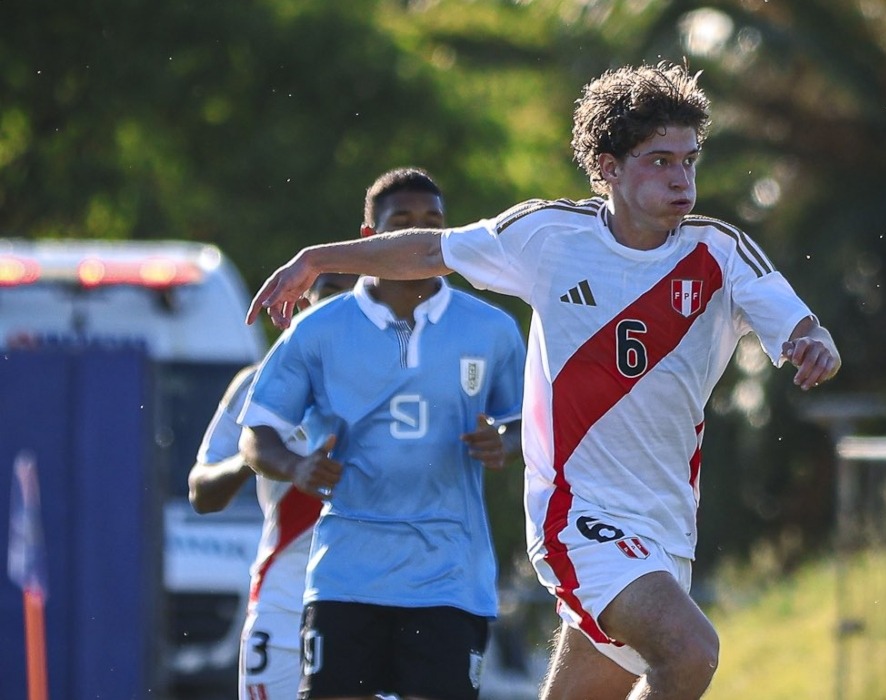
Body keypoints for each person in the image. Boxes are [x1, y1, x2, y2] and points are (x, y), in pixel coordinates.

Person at [245, 63, 841, 700]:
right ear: (608, 167)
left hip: (666, 525)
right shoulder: (549, 236)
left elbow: (801, 325)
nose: (681, 179)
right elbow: (428, 251)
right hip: (575, 516)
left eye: (689, 161)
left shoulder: (720, 253)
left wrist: (814, 344)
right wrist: (316, 259)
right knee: (690, 654)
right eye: (660, 160)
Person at [238, 167, 527, 700]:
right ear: (368, 239)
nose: (418, 234)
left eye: (432, 224)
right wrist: (297, 466)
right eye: (402, 223)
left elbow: (530, 425)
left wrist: (505, 443)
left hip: (450, 575)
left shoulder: (491, 329)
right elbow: (257, 435)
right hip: (346, 573)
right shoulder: (318, 329)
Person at [187, 270, 358, 700]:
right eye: (331, 295)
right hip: (283, 605)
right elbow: (201, 492)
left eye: (358, 298)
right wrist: (257, 456)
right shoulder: (259, 382)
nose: (343, 310)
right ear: (305, 303)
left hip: (373, 600)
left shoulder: (408, 383)